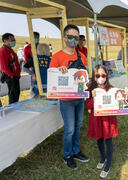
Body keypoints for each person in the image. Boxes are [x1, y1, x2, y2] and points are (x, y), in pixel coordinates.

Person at [49, 24, 89, 170]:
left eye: (76, 37)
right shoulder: (57, 57)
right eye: (70, 37)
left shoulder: (82, 56)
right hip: (66, 101)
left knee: (78, 126)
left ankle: (76, 151)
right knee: (70, 128)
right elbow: (52, 78)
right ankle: (67, 155)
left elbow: (85, 76)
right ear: (64, 37)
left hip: (79, 98)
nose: (73, 40)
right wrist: (59, 71)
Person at [86, 64, 120, 179]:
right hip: (96, 119)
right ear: (94, 77)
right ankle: (102, 157)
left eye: (103, 75)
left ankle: (108, 164)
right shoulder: (91, 89)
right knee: (99, 139)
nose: (101, 77)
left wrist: (123, 96)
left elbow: (118, 104)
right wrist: (92, 96)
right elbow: (88, 105)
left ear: (107, 76)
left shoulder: (111, 89)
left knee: (108, 140)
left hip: (108, 120)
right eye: (98, 75)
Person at [0, 33, 21, 104]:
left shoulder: (11, 50)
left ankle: (15, 109)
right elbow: (4, 66)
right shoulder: (2, 51)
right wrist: (11, 76)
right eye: (11, 40)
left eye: (14, 39)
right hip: (10, 76)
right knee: (13, 96)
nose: (14, 41)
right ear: (5, 41)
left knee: (16, 94)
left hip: (15, 76)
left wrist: (18, 74)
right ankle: (12, 111)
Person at [24, 32, 40, 98]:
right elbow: (26, 59)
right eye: (34, 37)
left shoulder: (41, 46)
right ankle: (33, 98)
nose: (36, 38)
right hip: (33, 69)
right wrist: (31, 70)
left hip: (42, 68)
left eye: (37, 37)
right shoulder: (27, 48)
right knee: (33, 85)